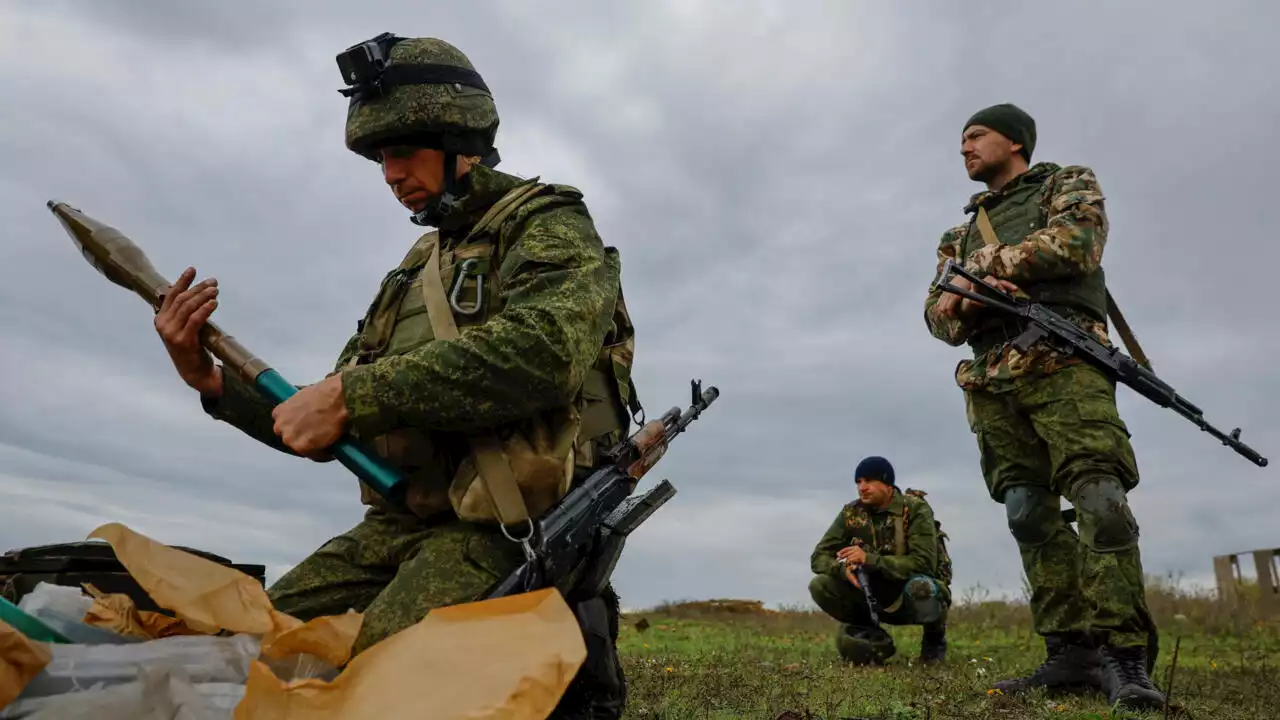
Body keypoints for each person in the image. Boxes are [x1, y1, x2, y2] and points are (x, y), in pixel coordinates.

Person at [151, 33, 640, 718]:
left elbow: (547, 351)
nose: (389, 173)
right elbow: (322, 416)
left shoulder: (546, 222)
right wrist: (207, 379)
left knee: (371, 685)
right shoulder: (413, 271)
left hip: (497, 529)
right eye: (382, 158)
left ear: (458, 140)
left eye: (403, 152)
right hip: (400, 522)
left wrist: (354, 395)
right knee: (250, 647)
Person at [923, 102, 1164, 710]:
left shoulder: (1065, 182)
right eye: (961, 140)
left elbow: (1078, 244)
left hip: (1065, 364)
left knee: (1101, 503)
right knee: (1027, 511)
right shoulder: (958, 229)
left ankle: (1125, 655)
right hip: (993, 379)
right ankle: (1068, 651)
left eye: (975, 135)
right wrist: (974, 301)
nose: (964, 148)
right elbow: (937, 316)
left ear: (1015, 140)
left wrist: (981, 270)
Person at [808, 456, 951, 666]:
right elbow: (818, 557)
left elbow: (924, 565)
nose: (862, 488)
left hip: (909, 591)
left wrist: (869, 559)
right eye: (858, 482)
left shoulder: (914, 509)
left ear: (887, 483)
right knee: (820, 585)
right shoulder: (851, 513)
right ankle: (869, 633)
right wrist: (842, 569)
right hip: (871, 592)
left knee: (923, 587)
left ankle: (933, 641)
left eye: (869, 481)